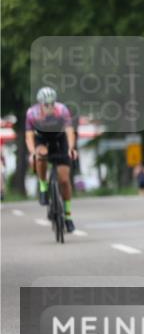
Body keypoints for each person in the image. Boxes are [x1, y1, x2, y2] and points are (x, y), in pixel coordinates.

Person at [25, 87, 79, 232]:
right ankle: (43, 187)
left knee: (64, 180)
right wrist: (32, 152)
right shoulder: (32, 113)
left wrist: (71, 148)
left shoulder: (62, 110)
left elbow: (69, 131)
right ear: (40, 104)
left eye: (52, 104)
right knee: (40, 154)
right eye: (46, 104)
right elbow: (29, 136)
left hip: (59, 141)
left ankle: (67, 216)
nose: (49, 107)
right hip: (42, 139)